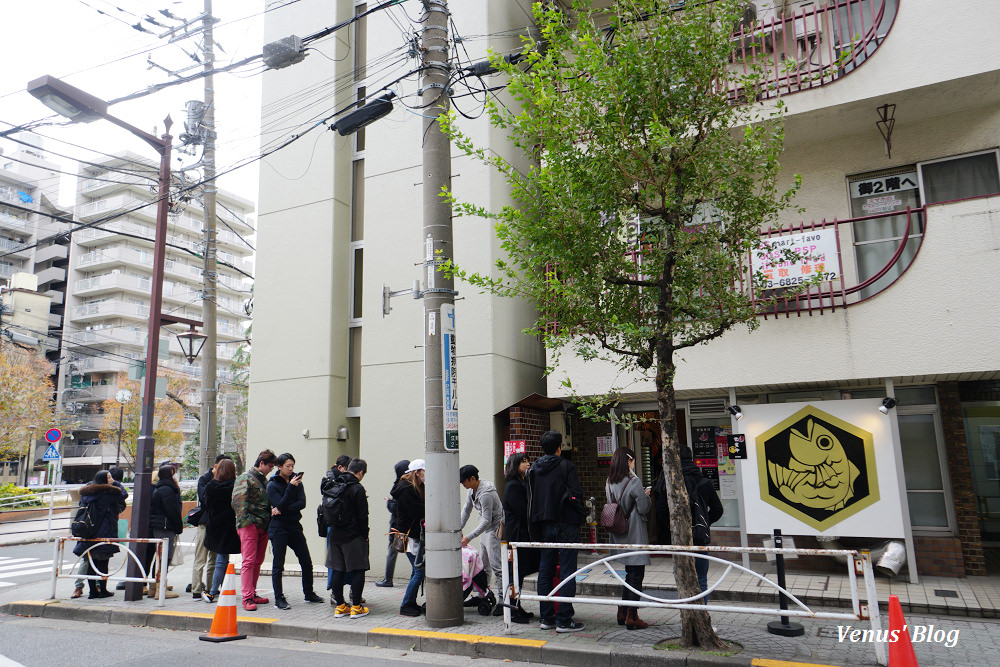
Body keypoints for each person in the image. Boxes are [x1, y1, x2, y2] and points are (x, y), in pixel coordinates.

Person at [527, 430, 586, 633]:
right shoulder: (565, 466)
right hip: (566, 522)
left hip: (543, 524)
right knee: (568, 571)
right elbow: (576, 494)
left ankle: (547, 617)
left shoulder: (534, 468)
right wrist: (580, 514)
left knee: (546, 570)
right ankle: (564, 619)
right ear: (559, 447)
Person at [267, 453, 324, 609]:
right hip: (278, 528)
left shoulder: (297, 481)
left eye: (292, 465)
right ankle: (279, 598)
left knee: (306, 561)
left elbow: (302, 503)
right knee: (278, 564)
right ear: (279, 467)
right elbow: (280, 503)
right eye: (288, 466)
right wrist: (291, 488)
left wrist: (283, 509)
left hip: (294, 525)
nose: (291, 469)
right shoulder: (273, 485)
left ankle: (309, 593)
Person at [606, 447, 652, 630]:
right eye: (633, 460)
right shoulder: (634, 481)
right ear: (629, 461)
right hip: (633, 531)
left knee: (629, 572)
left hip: (618, 531)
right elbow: (643, 508)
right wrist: (646, 496)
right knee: (636, 574)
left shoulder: (609, 481)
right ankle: (632, 616)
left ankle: (623, 611)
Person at [72, 467, 127, 599]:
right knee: (103, 563)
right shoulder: (107, 495)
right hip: (104, 531)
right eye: (109, 477)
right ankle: (102, 589)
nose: (112, 479)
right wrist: (115, 484)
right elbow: (124, 494)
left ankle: (92, 592)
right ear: (104, 480)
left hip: (89, 531)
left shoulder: (87, 493)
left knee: (91, 562)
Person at [232, 449, 277, 611]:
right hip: (249, 525)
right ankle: (247, 597)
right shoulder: (245, 478)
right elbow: (238, 502)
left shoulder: (263, 481)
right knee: (249, 561)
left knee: (257, 562)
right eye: (270, 466)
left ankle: (252, 592)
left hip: (262, 525)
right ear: (261, 463)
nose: (271, 469)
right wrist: (248, 523)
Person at [327, 458, 370, 619]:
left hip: (335, 534)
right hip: (353, 535)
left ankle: (340, 606)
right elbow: (362, 515)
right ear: (360, 472)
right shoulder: (357, 488)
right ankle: (357, 607)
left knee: (338, 569)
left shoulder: (335, 483)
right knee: (358, 569)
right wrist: (364, 535)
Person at [459, 464, 502, 613]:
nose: (462, 484)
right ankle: (480, 595)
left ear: (472, 478)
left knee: (497, 567)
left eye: (464, 481)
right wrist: (458, 529)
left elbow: (486, 520)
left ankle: (503, 602)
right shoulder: (472, 490)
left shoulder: (486, 493)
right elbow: (466, 510)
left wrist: (469, 537)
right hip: (486, 529)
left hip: (495, 530)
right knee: (483, 566)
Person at [502, 453, 538, 623]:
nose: (527, 464)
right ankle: (512, 610)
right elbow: (522, 510)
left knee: (519, 572)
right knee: (514, 573)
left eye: (527, 461)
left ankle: (517, 606)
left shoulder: (522, 483)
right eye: (523, 462)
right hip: (516, 535)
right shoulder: (513, 485)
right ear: (514, 465)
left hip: (521, 535)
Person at [190, 454, 230, 599]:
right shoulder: (205, 479)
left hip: (218, 524)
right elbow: (204, 498)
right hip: (205, 523)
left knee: (214, 558)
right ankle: (196, 589)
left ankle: (210, 588)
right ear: (215, 466)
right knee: (201, 558)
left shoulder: (225, 480)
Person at [391, 458, 426, 616]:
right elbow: (418, 511)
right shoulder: (406, 489)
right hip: (409, 536)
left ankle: (410, 603)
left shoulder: (415, 487)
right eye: (424, 471)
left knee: (416, 571)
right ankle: (406, 605)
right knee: (419, 571)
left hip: (412, 535)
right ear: (417, 472)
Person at [203, 458, 241, 604]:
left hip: (214, 526)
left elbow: (206, 504)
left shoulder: (211, 486)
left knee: (220, 559)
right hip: (230, 526)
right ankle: (217, 589)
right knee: (223, 559)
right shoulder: (234, 486)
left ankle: (213, 591)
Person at [148, 464, 183, 599]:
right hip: (165, 527)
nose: (175, 475)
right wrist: (178, 527)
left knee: (159, 557)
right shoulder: (167, 490)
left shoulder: (160, 488)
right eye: (173, 473)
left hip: (159, 526)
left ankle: (154, 587)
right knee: (164, 558)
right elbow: (173, 511)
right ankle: (160, 589)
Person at [375, 459, 410, 588]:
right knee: (410, 551)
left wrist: (388, 502)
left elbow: (396, 508)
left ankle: (388, 579)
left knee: (393, 551)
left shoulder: (401, 486)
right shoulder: (412, 484)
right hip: (407, 525)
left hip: (398, 525)